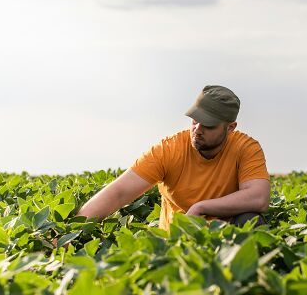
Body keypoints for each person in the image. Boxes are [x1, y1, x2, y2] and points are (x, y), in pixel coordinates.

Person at [77, 85, 270, 230]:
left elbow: (259, 197)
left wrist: (201, 207)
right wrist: (70, 232)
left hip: (223, 243)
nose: (197, 130)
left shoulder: (246, 148)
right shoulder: (168, 149)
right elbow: (119, 192)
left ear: (230, 128)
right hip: (175, 245)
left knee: (251, 218)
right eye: (195, 121)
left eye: (208, 125)